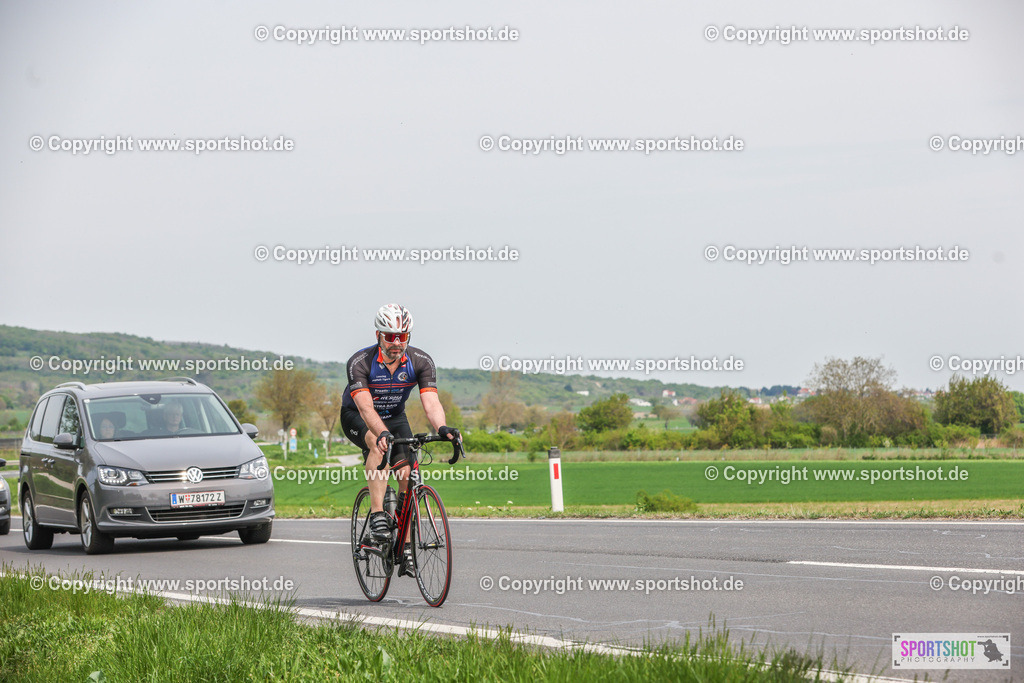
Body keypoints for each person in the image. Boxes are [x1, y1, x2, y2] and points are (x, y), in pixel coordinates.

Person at [341, 303, 461, 578]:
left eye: (402, 336)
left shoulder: (421, 361)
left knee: (407, 472)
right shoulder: (360, 362)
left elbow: (431, 401)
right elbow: (366, 408)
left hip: (395, 416)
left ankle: (405, 546)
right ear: (378, 336)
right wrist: (381, 433)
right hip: (357, 417)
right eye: (390, 337)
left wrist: (442, 427)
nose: (397, 343)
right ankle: (376, 515)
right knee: (377, 442)